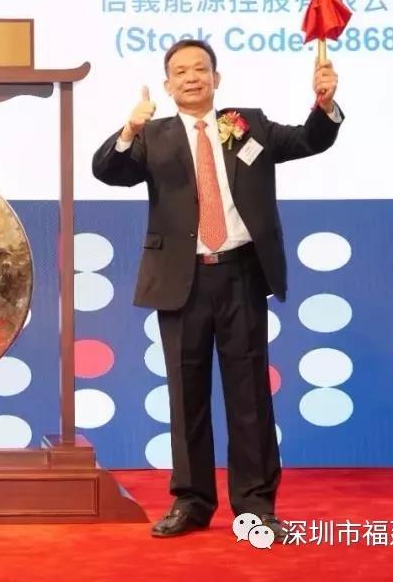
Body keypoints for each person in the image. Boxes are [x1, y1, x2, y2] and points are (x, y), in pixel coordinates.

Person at [92, 40, 341, 540]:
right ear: (167, 85)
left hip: (241, 274)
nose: (192, 78)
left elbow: (308, 140)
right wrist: (129, 129)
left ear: (216, 78)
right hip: (180, 279)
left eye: (200, 69)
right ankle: (192, 501)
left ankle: (256, 505)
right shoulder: (153, 135)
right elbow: (108, 172)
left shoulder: (245, 124)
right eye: (180, 71)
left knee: (250, 396)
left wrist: (324, 105)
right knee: (187, 396)